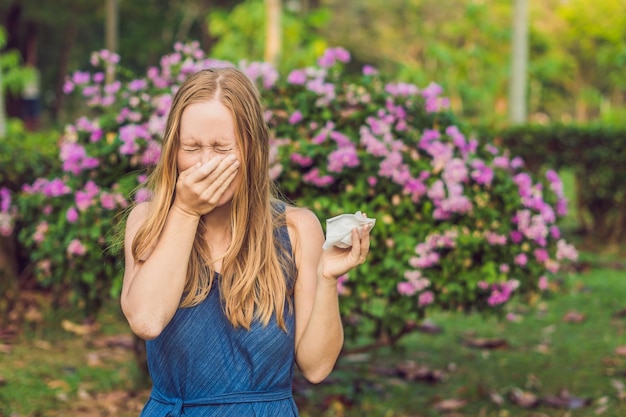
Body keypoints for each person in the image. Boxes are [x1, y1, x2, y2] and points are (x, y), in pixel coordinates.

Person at [121, 67, 372, 417]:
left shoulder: (297, 229)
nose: (205, 163)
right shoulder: (148, 222)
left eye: (221, 148)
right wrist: (186, 211)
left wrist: (327, 279)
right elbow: (146, 320)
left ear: (252, 149)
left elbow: (316, 367)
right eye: (191, 147)